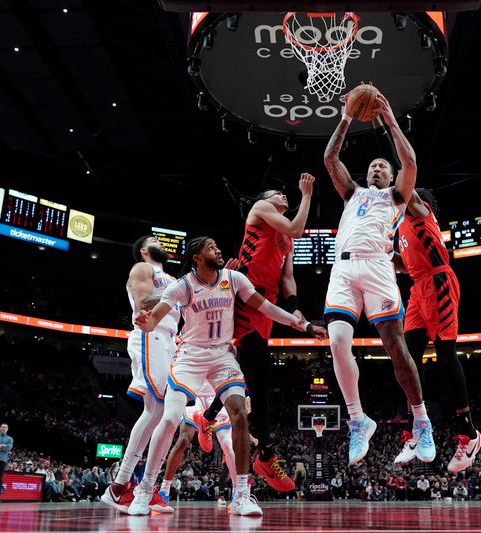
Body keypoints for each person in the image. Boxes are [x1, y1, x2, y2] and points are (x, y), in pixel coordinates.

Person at [127, 236, 326, 516]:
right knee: (170, 418)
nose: (218, 249)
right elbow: (154, 319)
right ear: (196, 256)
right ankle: (145, 490)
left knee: (239, 414)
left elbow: (266, 308)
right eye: (211, 247)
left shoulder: (233, 279)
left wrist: (304, 325)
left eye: (217, 245)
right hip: (191, 357)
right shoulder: (182, 285)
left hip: (222, 355)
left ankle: (242, 495)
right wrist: (146, 323)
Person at [322, 88, 435, 465]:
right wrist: (346, 117)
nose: (376, 169)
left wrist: (388, 118)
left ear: (390, 175)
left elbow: (410, 161)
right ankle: (358, 420)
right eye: (372, 166)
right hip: (343, 267)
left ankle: (421, 420)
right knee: (338, 341)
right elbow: (329, 157)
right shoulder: (351, 193)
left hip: (378, 267)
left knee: (394, 347)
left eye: (382, 167)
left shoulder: (397, 198)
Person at [200, 173, 315, 492]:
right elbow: (296, 226)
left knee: (244, 371)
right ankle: (265, 454)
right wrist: (306, 195)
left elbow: (288, 278)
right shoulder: (262, 209)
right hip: (244, 295)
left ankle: (208, 417)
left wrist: (294, 306)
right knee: (259, 378)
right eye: (279, 192)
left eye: (286, 194)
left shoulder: (286, 240)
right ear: (264, 197)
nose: (284, 196)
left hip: (267, 302)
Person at [391, 187, 481, 472]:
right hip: (418, 288)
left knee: (445, 354)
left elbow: (405, 186)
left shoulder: (421, 212)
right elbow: (405, 265)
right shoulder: (401, 227)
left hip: (439, 281)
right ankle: (414, 430)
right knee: (406, 359)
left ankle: (468, 433)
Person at [101, 236, 178, 514]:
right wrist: (183, 290)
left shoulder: (171, 278)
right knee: (155, 410)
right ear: (145, 250)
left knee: (166, 417)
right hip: (151, 335)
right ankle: (119, 487)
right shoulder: (142, 269)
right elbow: (144, 301)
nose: (162, 243)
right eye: (155, 240)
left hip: (171, 340)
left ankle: (140, 487)